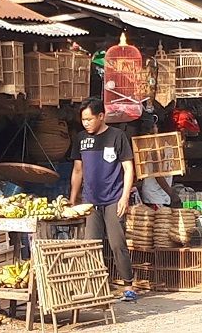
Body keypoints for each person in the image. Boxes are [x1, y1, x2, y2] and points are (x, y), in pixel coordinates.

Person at [70, 97, 138, 301]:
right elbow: (77, 170)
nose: (86, 123)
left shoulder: (117, 137)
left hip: (113, 199)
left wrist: (125, 197)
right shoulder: (81, 138)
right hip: (90, 202)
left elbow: (128, 169)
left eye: (90, 119)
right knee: (91, 244)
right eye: (83, 120)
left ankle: (129, 285)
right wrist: (73, 199)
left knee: (117, 243)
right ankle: (96, 286)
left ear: (101, 116)